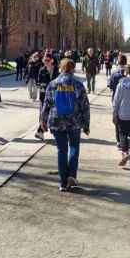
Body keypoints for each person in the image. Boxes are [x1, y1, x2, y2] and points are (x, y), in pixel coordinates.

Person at [41, 58, 90, 191]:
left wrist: (43, 121)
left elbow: (46, 104)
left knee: (61, 150)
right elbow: (84, 105)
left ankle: (63, 183)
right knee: (74, 147)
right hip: (74, 121)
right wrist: (86, 124)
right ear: (73, 69)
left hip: (56, 121)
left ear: (60, 69)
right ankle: (72, 175)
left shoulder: (53, 84)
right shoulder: (78, 85)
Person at [35, 53, 59, 140]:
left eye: (47, 60)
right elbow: (38, 82)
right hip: (43, 96)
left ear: (52, 60)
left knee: (51, 114)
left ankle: (47, 130)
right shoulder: (42, 70)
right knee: (42, 113)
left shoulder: (56, 70)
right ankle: (40, 131)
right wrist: (42, 85)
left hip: (54, 96)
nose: (46, 62)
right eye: (44, 60)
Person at [108, 54, 127, 148]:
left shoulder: (114, 73)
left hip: (116, 100)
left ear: (118, 62)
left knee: (117, 121)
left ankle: (119, 141)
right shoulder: (129, 73)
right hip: (127, 99)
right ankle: (126, 139)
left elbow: (110, 87)